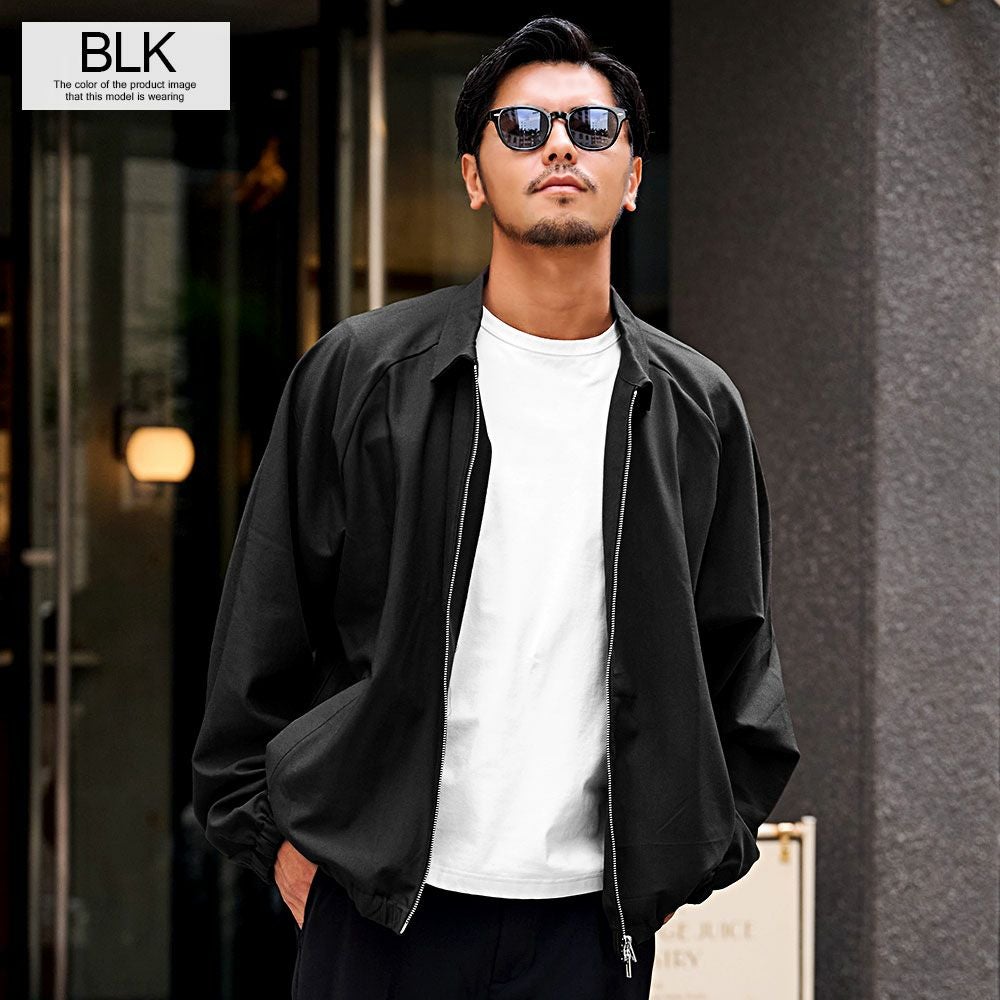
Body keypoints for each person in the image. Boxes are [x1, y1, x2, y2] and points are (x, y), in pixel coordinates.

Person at [191, 16, 800, 1000]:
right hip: (379, 912)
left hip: (587, 931)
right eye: (521, 127)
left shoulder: (695, 408)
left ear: (633, 177)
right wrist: (281, 844)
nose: (558, 147)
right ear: (474, 177)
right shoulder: (361, 374)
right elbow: (263, 627)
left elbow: (738, 657)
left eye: (591, 126)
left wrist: (682, 856)